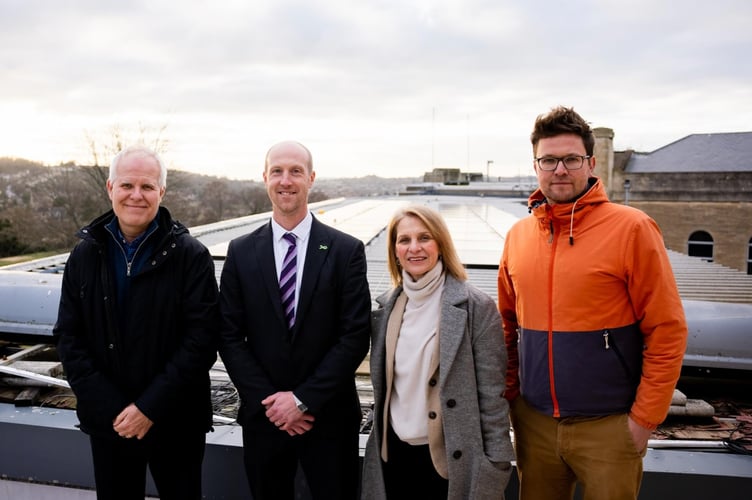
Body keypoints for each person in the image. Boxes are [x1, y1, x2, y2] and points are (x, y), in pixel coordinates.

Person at [497, 106, 688, 500]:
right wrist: (511, 397)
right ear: (535, 165)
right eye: (549, 160)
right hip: (535, 424)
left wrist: (643, 421)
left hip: (610, 427)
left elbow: (667, 330)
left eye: (571, 159)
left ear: (591, 162)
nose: (560, 170)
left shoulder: (632, 228)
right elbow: (504, 326)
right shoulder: (518, 236)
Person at [54, 145, 219, 500]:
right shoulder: (85, 254)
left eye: (147, 187)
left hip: (176, 423)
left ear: (161, 192)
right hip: (109, 422)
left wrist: (148, 408)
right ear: (110, 188)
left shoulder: (191, 255)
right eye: (127, 185)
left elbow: (201, 341)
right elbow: (69, 337)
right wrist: (113, 408)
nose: (136, 195)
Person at [217, 140, 371, 500]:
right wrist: (272, 402)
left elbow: (354, 336)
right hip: (264, 419)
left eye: (296, 172)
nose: (286, 180)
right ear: (265, 178)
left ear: (311, 178)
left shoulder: (346, 250)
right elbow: (228, 335)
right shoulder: (240, 252)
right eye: (277, 171)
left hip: (329, 419)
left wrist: (302, 400)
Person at [362, 204, 514, 500]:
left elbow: (493, 396)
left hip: (449, 463)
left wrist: (496, 465)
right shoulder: (386, 309)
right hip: (393, 459)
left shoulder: (475, 307)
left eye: (424, 238)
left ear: (441, 244)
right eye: (404, 240)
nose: (414, 248)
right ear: (394, 250)